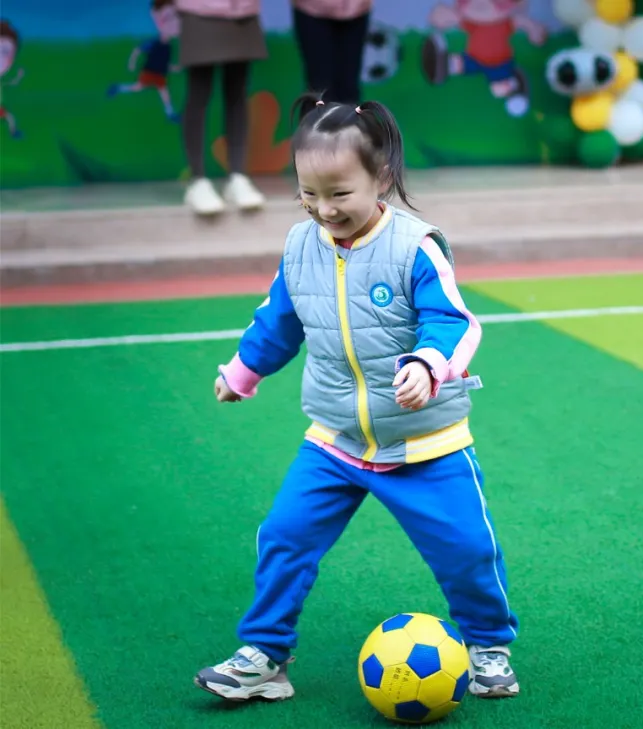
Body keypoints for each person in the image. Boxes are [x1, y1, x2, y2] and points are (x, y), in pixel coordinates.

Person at [193, 93, 520, 703]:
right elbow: (278, 323)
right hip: (336, 440)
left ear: (382, 177)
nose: (323, 209)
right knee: (284, 537)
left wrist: (428, 364)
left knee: (468, 550)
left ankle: (488, 643)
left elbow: (453, 322)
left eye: (340, 193)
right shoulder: (300, 247)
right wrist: (241, 372)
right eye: (307, 194)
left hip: (425, 442)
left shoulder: (415, 246)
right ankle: (265, 654)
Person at [176, 0, 268, 215]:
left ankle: (237, 177)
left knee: (237, 93)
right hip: (198, 9)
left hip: (242, 11)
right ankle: (197, 181)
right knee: (199, 93)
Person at [291, 0, 373, 105]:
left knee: (349, 90)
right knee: (319, 88)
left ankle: (350, 120)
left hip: (357, 8)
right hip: (312, 9)